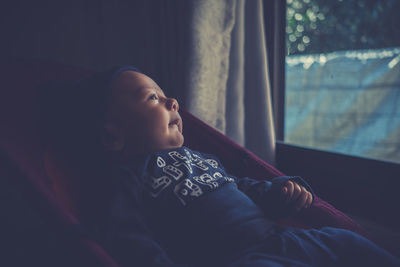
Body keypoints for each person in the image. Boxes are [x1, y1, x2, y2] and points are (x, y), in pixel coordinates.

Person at [42, 66, 399, 266]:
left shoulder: (202, 158)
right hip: (239, 258)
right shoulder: (126, 180)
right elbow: (127, 236)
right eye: (152, 97)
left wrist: (281, 190)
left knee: (346, 242)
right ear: (112, 137)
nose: (172, 101)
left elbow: (245, 188)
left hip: (284, 238)